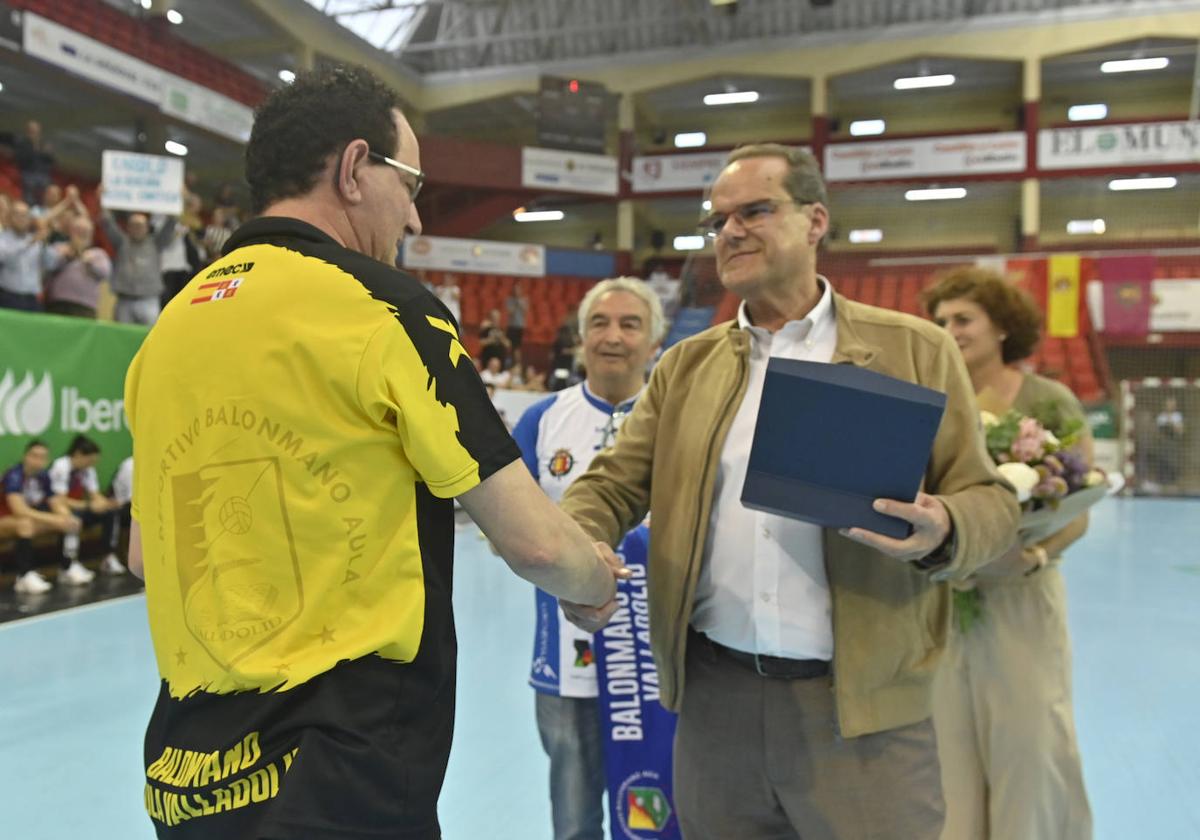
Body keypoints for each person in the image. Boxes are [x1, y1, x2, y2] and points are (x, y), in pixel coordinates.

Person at [123, 63, 624, 840]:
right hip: (340, 773)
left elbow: (146, 559)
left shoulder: (167, 334)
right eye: (412, 185)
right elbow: (531, 538)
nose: (417, 220)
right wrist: (594, 579)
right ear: (356, 169)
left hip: (189, 779)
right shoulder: (382, 309)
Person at [558, 144, 1020, 840]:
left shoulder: (915, 349)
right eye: (718, 221)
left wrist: (946, 528)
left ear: (815, 221)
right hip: (716, 713)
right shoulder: (687, 366)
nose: (731, 231)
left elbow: (989, 500)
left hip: (862, 717)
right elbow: (609, 484)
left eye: (755, 210)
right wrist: (577, 549)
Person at [924, 267, 1094, 840]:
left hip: (1022, 598)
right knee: (948, 750)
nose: (949, 329)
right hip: (943, 602)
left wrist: (1033, 555)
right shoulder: (929, 404)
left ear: (1001, 328)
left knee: (1029, 743)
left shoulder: (1051, 400)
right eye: (941, 320)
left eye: (963, 319)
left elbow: (1080, 507)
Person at [513, 277, 664, 840]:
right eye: (599, 323)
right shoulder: (543, 420)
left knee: (665, 803)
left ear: (655, 340)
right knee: (574, 817)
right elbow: (516, 529)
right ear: (580, 337)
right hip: (569, 656)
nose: (613, 336)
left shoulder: (680, 417)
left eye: (630, 324)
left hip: (664, 660)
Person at [1, 439, 81, 594]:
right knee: (25, 524)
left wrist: (65, 515)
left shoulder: (43, 476)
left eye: (42, 457)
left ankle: (67, 567)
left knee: (69, 521)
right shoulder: (14, 475)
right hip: (5, 519)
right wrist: (53, 519)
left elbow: (55, 502)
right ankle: (23, 576)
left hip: (29, 519)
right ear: (25, 456)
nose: (37, 460)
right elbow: (19, 510)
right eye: (34, 456)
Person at [49, 434, 125, 578]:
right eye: (89, 460)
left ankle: (108, 556)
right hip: (56, 508)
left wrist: (107, 503)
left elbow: (94, 494)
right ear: (78, 455)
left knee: (110, 512)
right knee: (72, 519)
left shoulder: (87, 469)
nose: (91, 464)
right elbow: (59, 499)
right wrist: (89, 506)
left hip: (79, 507)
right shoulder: (61, 466)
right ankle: (67, 565)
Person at [100, 207, 178, 325]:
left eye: (140, 225)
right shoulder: (121, 242)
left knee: (148, 336)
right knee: (121, 335)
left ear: (147, 227)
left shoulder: (156, 243)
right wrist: (104, 202)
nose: (137, 229)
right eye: (134, 225)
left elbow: (170, 225)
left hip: (149, 299)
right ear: (128, 227)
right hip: (124, 300)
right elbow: (107, 223)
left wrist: (174, 202)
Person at [43, 214, 113, 318]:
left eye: (85, 231)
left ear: (91, 234)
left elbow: (105, 273)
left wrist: (89, 261)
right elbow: (48, 265)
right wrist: (65, 256)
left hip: (85, 307)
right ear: (71, 231)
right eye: (78, 230)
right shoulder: (59, 247)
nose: (82, 234)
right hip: (57, 303)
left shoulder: (98, 254)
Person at [0, 200, 52, 311]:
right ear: (9, 218)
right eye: (17, 214)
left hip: (32, 299)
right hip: (8, 297)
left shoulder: (37, 241)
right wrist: (29, 243)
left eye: (25, 215)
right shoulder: (3, 238)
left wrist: (46, 245)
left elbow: (50, 264)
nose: (21, 219)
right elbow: (5, 257)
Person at [506, 279, 530, 352]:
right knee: (509, 344)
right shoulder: (509, 300)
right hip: (511, 325)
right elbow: (510, 312)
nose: (517, 291)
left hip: (519, 325)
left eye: (518, 290)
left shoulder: (524, 300)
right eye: (515, 290)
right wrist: (515, 304)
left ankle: (517, 362)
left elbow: (525, 311)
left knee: (517, 346)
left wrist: (519, 302)